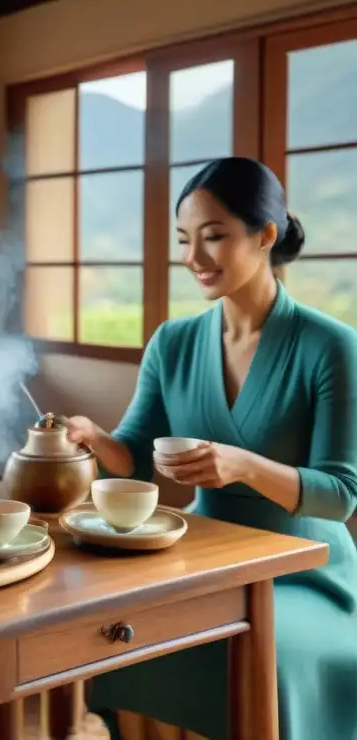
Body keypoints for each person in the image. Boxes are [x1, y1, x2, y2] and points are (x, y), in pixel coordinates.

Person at [61, 156, 357, 740]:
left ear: (265, 236)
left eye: (214, 237)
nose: (194, 258)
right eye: (184, 240)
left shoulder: (331, 346)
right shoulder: (173, 342)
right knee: (119, 632)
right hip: (205, 558)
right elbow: (135, 456)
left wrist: (243, 465)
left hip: (304, 572)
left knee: (258, 654)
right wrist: (94, 440)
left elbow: (342, 495)